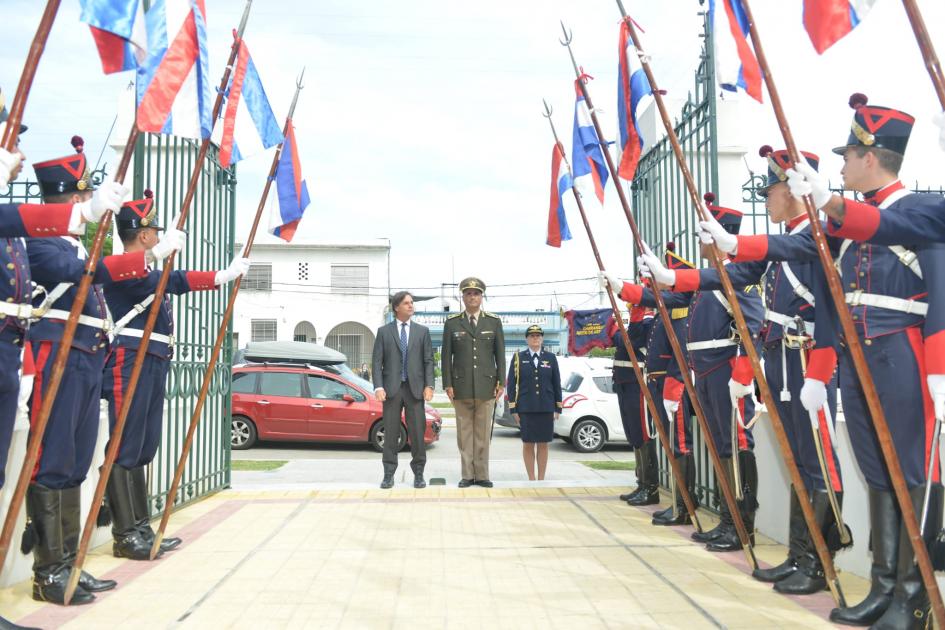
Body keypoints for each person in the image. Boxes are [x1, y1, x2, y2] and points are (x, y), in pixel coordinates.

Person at [702, 94, 944, 628]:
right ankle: (884, 588)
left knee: (910, 472)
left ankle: (913, 596)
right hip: (860, 357)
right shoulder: (856, 219)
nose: (840, 166)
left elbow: (939, 291)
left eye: (847, 157)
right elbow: (805, 255)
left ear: (872, 155)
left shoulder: (918, 211)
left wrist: (939, 365)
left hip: (901, 351)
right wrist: (733, 243)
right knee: (878, 472)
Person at [640, 150, 846, 594]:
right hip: (783, 362)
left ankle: (819, 560)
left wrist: (732, 245)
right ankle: (800, 555)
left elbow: (760, 279)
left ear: (793, 191)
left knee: (817, 461)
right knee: (798, 461)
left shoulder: (813, 236)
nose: (766, 201)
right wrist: (670, 279)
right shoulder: (783, 242)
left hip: (807, 361)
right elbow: (724, 277)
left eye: (770, 191)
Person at [22, 139, 182, 605]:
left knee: (73, 460)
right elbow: (84, 273)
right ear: (69, 199)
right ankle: (49, 571)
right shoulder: (44, 241)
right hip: (60, 355)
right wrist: (147, 257)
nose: (85, 205)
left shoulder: (71, 242)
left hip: (86, 354)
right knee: (53, 460)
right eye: (81, 198)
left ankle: (69, 563)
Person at [601, 197, 765, 553]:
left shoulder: (739, 277)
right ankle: (727, 519)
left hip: (726, 370)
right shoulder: (707, 280)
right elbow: (665, 299)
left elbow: (754, 326)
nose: (701, 242)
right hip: (705, 370)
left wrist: (743, 371)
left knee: (736, 446)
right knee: (721, 446)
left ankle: (741, 525)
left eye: (705, 234)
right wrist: (622, 288)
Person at [101, 189, 249, 560]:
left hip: (154, 357)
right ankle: (125, 534)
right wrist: (157, 257)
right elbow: (162, 280)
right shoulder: (122, 266)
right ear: (145, 235)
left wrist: (222, 276)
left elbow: (178, 280)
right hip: (130, 357)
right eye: (154, 232)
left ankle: (140, 528)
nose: (159, 236)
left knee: (144, 445)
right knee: (126, 444)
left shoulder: (150, 268)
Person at [644, 248, 697, 526]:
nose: (661, 282)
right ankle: (680, 502)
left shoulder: (682, 308)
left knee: (681, 443)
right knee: (674, 444)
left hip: (674, 385)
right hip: (665, 384)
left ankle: (684, 506)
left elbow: (682, 353)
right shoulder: (671, 308)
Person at [441, 277, 505, 488]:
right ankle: (468, 475)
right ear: (463, 297)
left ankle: (483, 475)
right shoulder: (452, 323)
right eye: (468, 293)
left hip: (487, 387)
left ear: (481, 296)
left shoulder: (493, 322)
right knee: (464, 434)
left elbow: (500, 355)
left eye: (476, 293)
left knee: (483, 434)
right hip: (461, 387)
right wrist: (447, 384)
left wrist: (501, 383)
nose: (472, 297)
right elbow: (446, 356)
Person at [372, 291, 434, 489]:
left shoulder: (422, 332)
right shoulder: (384, 332)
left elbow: (428, 361)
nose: (411, 306)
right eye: (407, 303)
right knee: (391, 434)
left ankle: (418, 474)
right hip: (392, 390)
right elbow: (376, 362)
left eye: (412, 302)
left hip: (415, 390)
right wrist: (379, 386)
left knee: (417, 433)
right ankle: (388, 475)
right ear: (397, 307)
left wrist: (429, 385)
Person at [611, 301, 658, 505]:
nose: (631, 308)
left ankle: (651, 488)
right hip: (625, 383)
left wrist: (613, 329)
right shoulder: (637, 323)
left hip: (637, 384)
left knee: (642, 434)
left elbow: (628, 340)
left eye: (635, 305)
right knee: (633, 435)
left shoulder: (648, 323)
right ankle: (641, 482)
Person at [507, 325, 561, 480]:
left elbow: (556, 382)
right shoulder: (518, 358)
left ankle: (541, 479)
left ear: (542, 338)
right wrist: (514, 409)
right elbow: (511, 385)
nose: (535, 338)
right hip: (526, 407)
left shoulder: (551, 358)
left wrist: (558, 407)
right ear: (527, 339)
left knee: (543, 444)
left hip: (546, 407)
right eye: (532, 336)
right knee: (528, 443)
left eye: (538, 335)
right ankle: (531, 479)